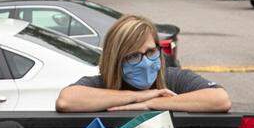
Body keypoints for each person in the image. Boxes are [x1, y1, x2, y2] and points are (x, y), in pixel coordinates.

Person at [55, 15, 232, 113]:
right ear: (115, 60)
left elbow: (220, 99)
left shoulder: (173, 78)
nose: (146, 62)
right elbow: (66, 100)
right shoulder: (101, 84)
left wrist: (152, 103)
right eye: (133, 56)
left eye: (150, 51)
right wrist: (140, 96)